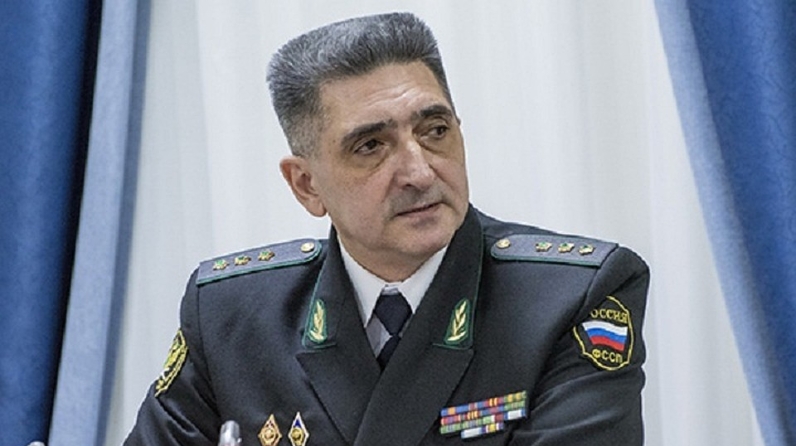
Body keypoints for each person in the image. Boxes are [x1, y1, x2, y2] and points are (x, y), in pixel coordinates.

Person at [125, 12, 650, 446]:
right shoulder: (231, 317)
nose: (420, 172)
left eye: (435, 131)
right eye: (371, 146)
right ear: (306, 185)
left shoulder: (570, 297)